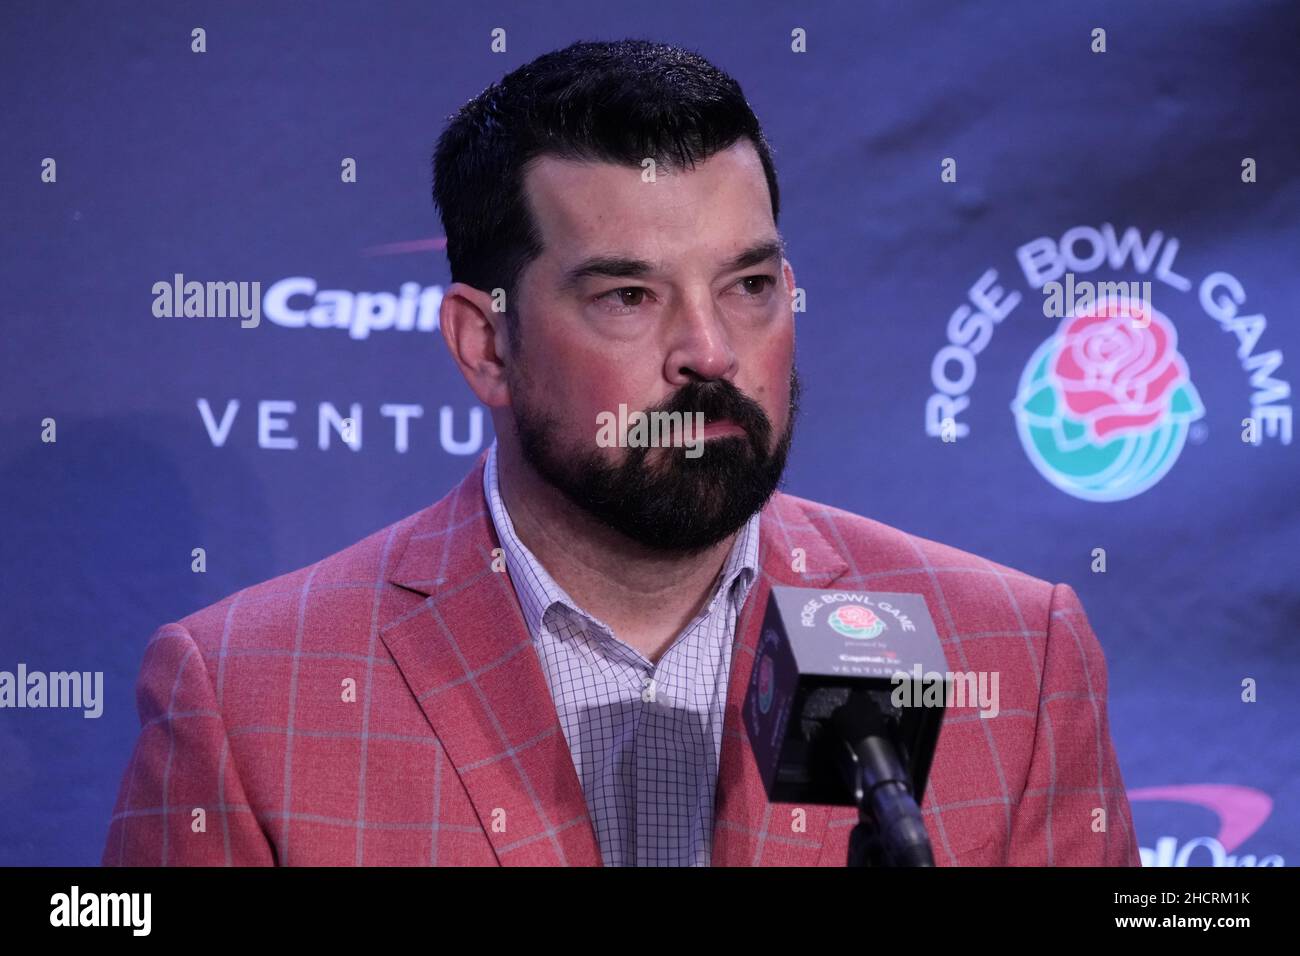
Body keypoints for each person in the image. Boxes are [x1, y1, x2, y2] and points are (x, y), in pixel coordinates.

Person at [103, 38, 1138, 867]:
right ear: (486, 343)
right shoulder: (248, 697)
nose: (711, 351)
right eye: (628, 296)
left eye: (750, 285)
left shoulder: (1012, 654)